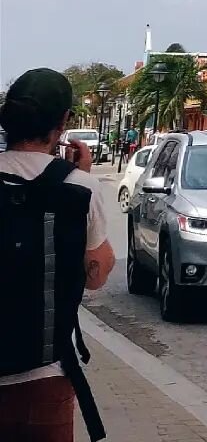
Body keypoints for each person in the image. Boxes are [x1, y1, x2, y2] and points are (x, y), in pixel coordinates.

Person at [0, 68, 115, 441]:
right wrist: (77, 176)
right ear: (63, 122)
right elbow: (96, 278)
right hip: (44, 380)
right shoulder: (79, 188)